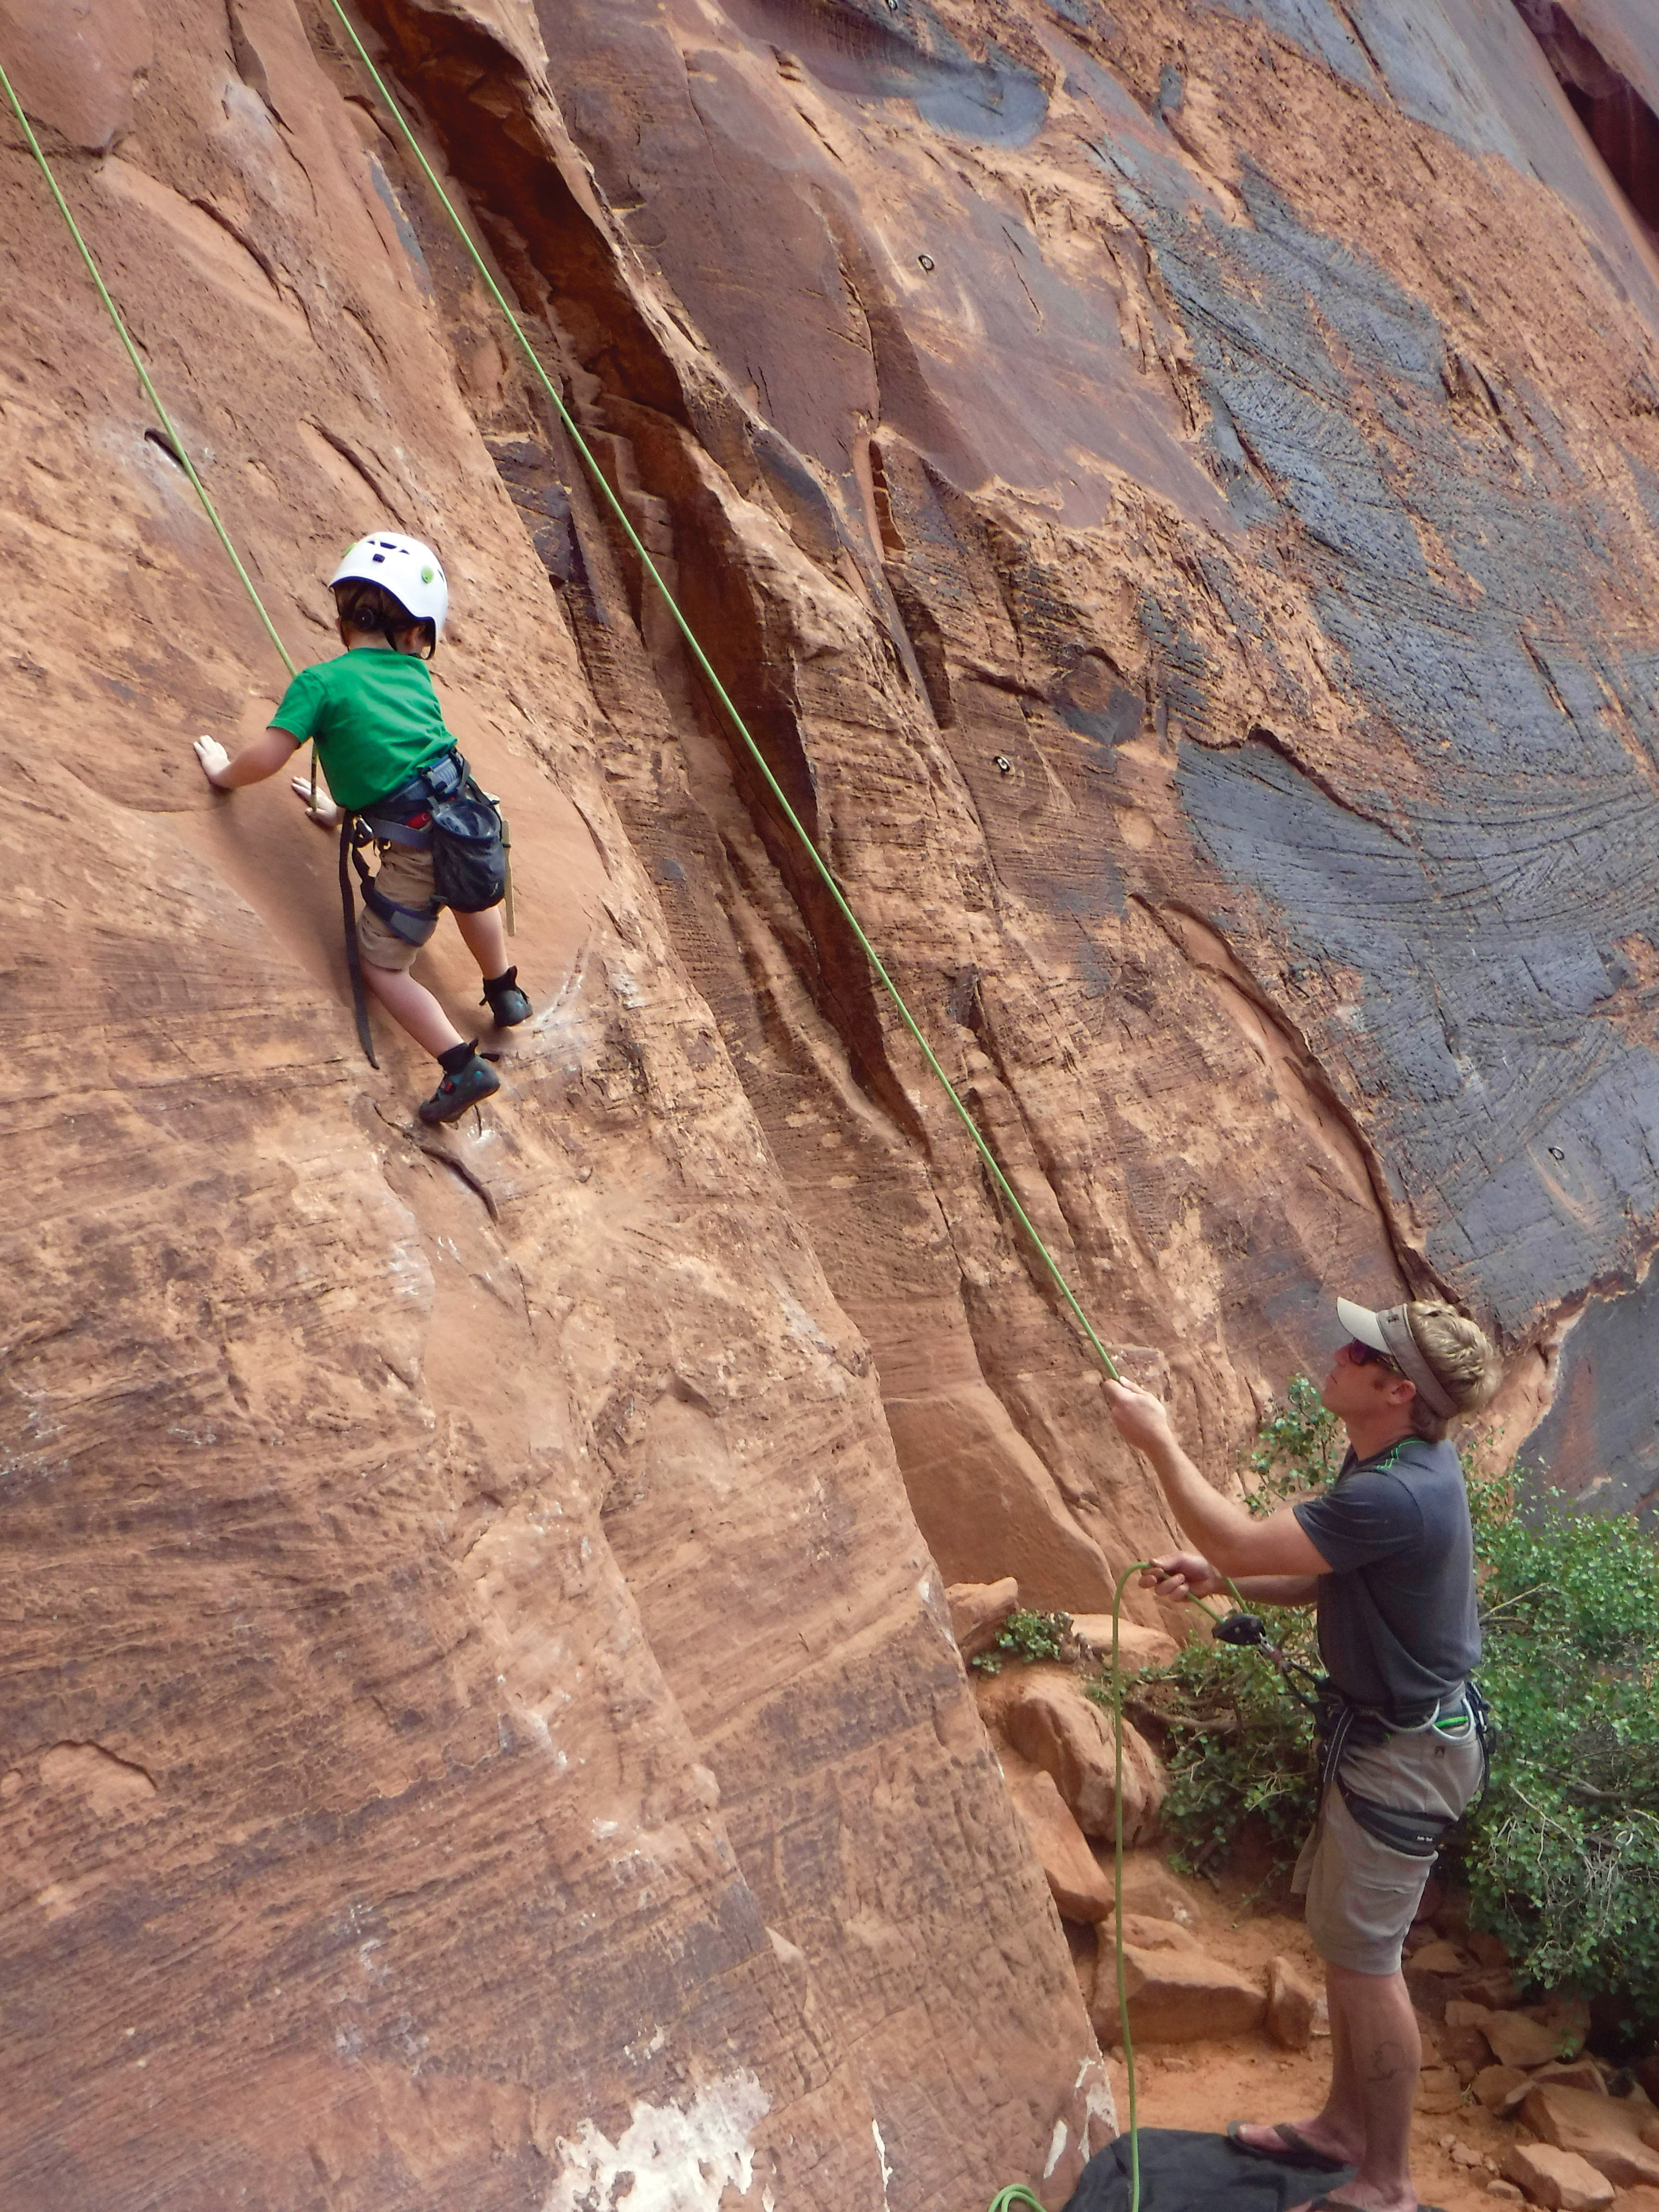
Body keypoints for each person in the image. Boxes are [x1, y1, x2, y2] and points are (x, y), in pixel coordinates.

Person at [1104, 1295, 1502, 2212]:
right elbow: (1313, 1568)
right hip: (1390, 1741)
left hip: (1404, 1752)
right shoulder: (1393, 1458)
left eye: (1361, 1348)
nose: (1337, 1350)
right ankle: (1343, 2127)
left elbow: (1243, 1533)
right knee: (1345, 1945)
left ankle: (1389, 2182)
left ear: (1397, 1387)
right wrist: (1226, 1575)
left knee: (1368, 1960)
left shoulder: (1398, 1487)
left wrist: (1160, 1441)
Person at [193, 533, 531, 1125]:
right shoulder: (415, 677)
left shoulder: (321, 684)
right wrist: (342, 811)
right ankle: (503, 989)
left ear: (345, 613)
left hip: (418, 850)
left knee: (383, 966)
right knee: (469, 893)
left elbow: (271, 757)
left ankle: (461, 1065)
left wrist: (224, 774)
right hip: (471, 818)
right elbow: (398, 759)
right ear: (417, 632)